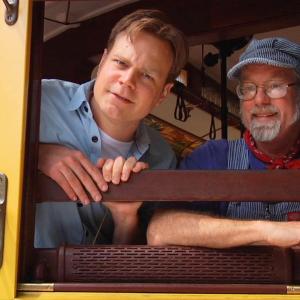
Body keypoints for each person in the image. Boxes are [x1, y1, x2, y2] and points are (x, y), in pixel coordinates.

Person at [36, 9, 188, 247]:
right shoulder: (39, 99)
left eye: (147, 76)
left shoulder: (162, 159)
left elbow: (138, 265)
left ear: (163, 94)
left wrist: (126, 220)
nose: (127, 80)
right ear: (104, 60)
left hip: (97, 285)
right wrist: (35, 154)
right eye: (120, 62)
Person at [147, 37, 300, 248]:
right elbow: (160, 230)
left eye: (275, 86)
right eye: (248, 88)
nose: (260, 99)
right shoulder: (215, 156)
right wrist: (268, 231)